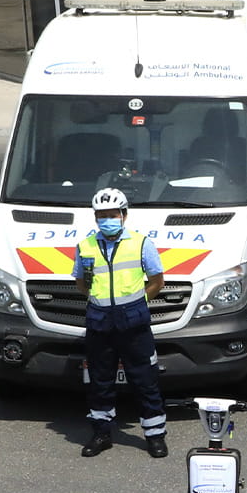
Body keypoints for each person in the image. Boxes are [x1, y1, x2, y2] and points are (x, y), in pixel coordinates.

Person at [74, 187, 168, 458]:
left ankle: (154, 435)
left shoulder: (141, 243)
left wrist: (136, 302)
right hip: (100, 324)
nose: (107, 219)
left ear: (124, 215)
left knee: (145, 380)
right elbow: (81, 283)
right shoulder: (85, 245)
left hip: (134, 324)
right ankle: (101, 433)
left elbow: (157, 281)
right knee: (100, 381)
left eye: (112, 214)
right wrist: (102, 300)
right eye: (101, 215)